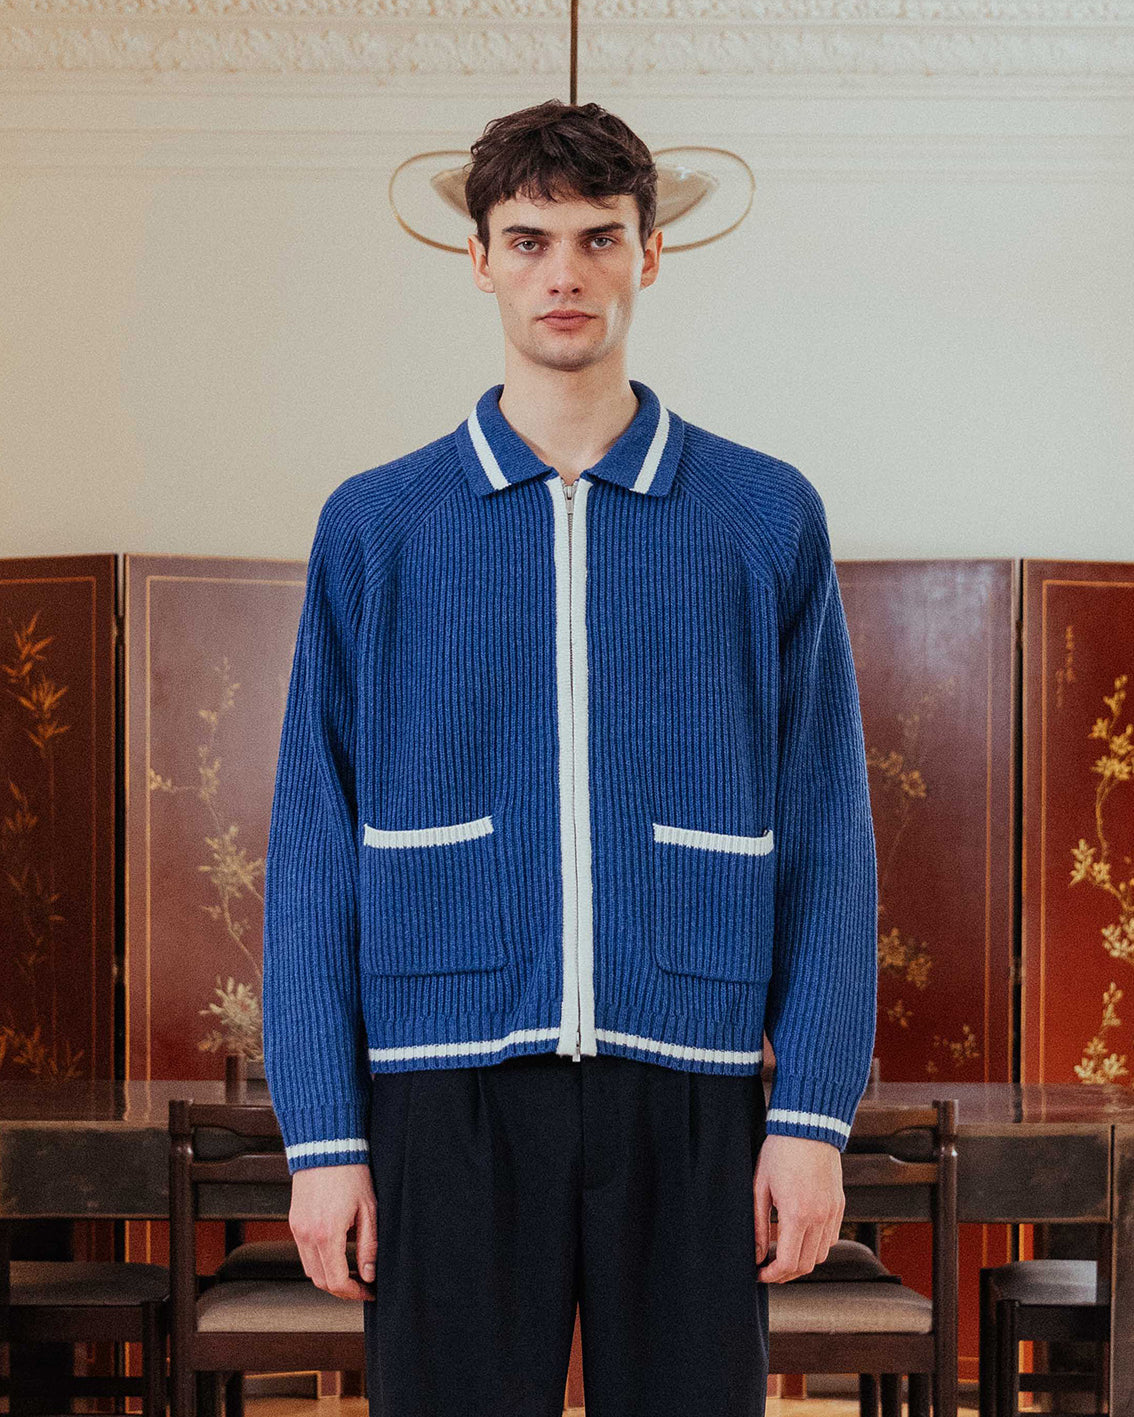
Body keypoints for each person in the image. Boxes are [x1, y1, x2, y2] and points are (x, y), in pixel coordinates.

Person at [262, 98, 878, 1417]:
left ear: (650, 252)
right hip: (442, 1088)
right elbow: (314, 844)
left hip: (693, 1083)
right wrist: (321, 1135)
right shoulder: (378, 525)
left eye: (599, 237)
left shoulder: (762, 515)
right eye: (529, 239)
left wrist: (812, 1117)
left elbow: (828, 833)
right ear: (478, 257)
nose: (564, 273)